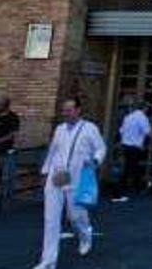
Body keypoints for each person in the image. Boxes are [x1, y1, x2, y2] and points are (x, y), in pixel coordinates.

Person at [32, 98, 107, 269]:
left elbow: (101, 148)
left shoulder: (90, 128)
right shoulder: (59, 129)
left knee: (75, 216)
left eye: (69, 110)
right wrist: (45, 171)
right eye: (64, 110)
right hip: (56, 176)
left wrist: (95, 160)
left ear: (78, 110)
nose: (65, 113)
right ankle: (48, 261)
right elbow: (53, 151)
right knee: (50, 219)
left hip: (76, 178)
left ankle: (85, 235)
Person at [115, 101, 152, 200]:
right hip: (135, 147)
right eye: (147, 108)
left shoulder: (128, 117)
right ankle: (121, 189)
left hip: (125, 145)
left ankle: (137, 186)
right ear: (144, 108)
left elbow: (121, 131)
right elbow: (148, 132)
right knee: (131, 168)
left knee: (131, 167)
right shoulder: (142, 118)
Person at [0, 95, 20, 208]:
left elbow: (14, 134)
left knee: (3, 177)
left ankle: (4, 201)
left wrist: (0, 140)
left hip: (4, 151)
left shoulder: (13, 117)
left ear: (5, 106)